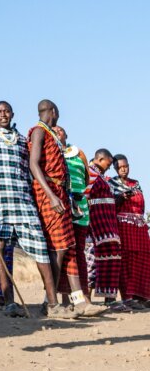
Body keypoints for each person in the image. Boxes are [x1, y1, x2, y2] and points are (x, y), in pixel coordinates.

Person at [0, 102, 62, 317]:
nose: (3, 114)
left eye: (7, 111)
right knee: (0, 249)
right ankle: (9, 302)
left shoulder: (22, 140)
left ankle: (52, 303)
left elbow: (31, 170)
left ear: (12, 114)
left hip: (22, 200)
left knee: (40, 246)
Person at [28, 101, 103, 317]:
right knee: (58, 249)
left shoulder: (51, 135)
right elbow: (34, 165)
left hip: (61, 194)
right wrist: (51, 196)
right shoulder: (38, 132)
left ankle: (79, 302)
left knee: (69, 249)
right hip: (48, 193)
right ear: (53, 112)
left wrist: (69, 202)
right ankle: (50, 304)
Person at [54, 126, 93, 305]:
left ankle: (84, 296)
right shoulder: (51, 152)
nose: (57, 132)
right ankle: (65, 299)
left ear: (66, 134)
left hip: (80, 205)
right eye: (53, 130)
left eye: (60, 130)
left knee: (79, 252)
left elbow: (86, 178)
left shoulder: (78, 153)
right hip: (61, 205)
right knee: (64, 251)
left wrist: (77, 193)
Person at [109, 155, 150, 309]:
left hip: (139, 228)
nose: (124, 169)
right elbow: (111, 204)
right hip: (123, 228)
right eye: (120, 167)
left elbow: (142, 206)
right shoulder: (112, 184)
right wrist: (121, 198)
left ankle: (143, 297)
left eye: (126, 166)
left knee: (144, 260)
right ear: (115, 168)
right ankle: (128, 297)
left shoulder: (136, 184)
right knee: (127, 261)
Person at [86, 149, 125, 308]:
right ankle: (85, 301)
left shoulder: (102, 177)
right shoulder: (89, 174)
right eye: (108, 164)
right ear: (99, 159)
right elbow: (84, 197)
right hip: (95, 225)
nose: (109, 167)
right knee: (91, 262)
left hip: (108, 226)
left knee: (112, 258)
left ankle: (110, 299)